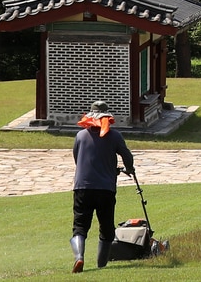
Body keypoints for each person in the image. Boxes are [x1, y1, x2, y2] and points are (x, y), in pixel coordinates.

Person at [70, 99, 135, 273]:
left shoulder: (80, 136)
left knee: (80, 226)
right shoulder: (114, 136)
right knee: (106, 228)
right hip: (106, 188)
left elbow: (77, 159)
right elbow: (127, 156)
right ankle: (101, 265)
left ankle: (79, 257)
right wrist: (129, 169)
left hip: (82, 187)